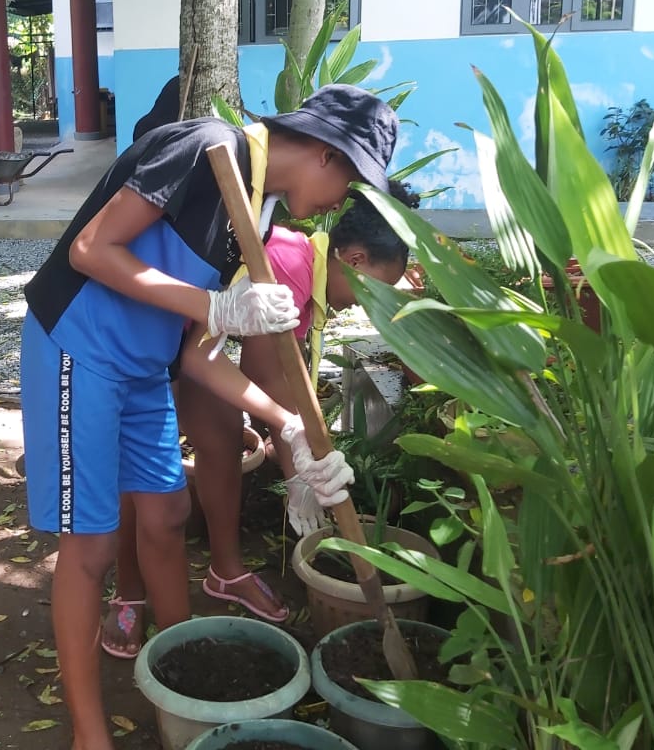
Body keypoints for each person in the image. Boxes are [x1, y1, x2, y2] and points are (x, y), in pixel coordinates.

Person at [20, 83, 398, 750]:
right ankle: (89, 734)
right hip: (81, 349)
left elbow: (197, 356)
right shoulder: (204, 150)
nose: (344, 201)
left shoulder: (256, 209)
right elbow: (90, 250)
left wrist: (285, 425)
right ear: (323, 152)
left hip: (147, 366)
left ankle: (180, 668)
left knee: (166, 515)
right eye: (353, 179)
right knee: (92, 546)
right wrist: (215, 306)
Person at [101, 183, 421, 654]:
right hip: (141, 336)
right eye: (379, 289)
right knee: (140, 473)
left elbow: (278, 385)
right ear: (354, 260)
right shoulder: (288, 268)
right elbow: (264, 377)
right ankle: (127, 591)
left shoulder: (311, 277)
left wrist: (305, 466)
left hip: (191, 341)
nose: (374, 306)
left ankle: (225, 572)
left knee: (224, 439)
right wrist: (300, 472)